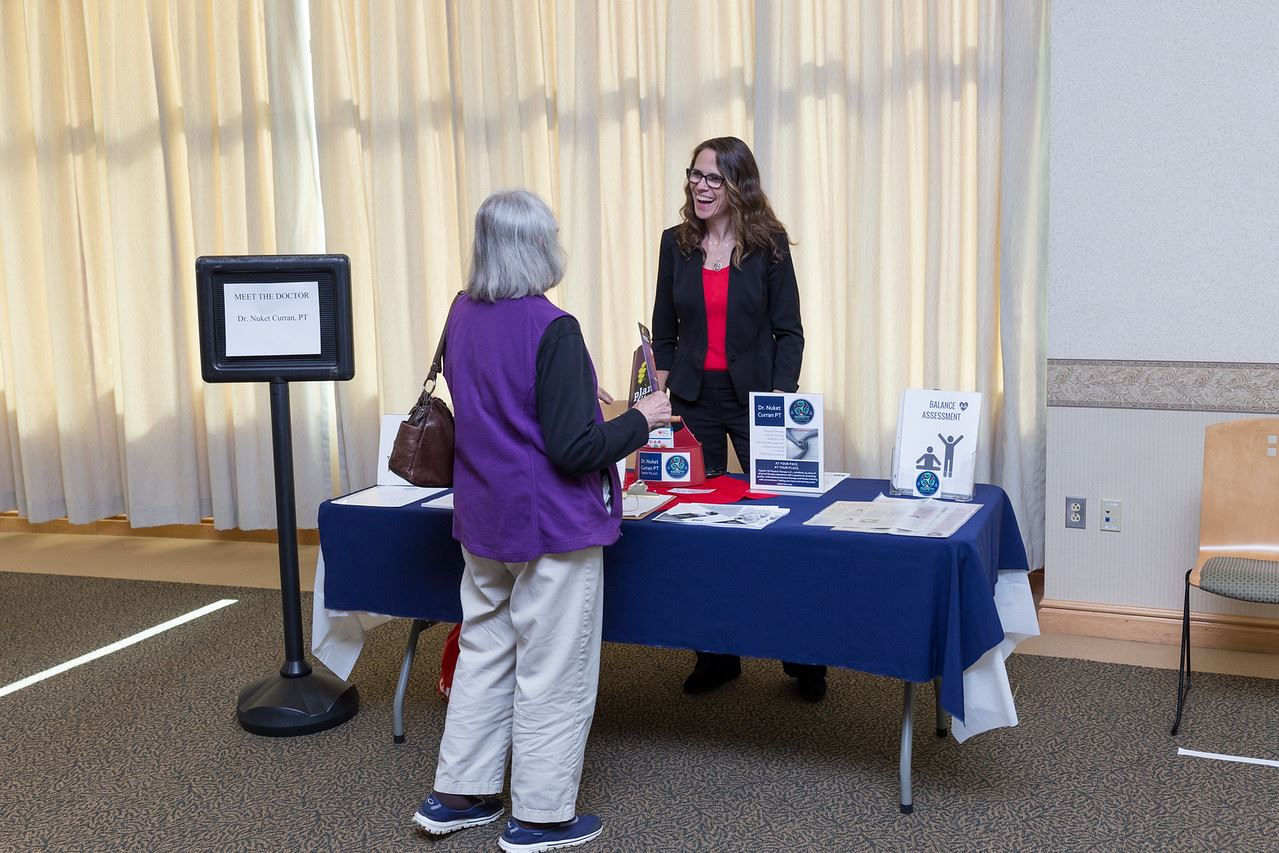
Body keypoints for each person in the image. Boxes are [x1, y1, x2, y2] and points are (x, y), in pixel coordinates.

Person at [413, 189, 672, 852]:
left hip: (482, 517)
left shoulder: (460, 312)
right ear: (537, 246)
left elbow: (502, 406)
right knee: (553, 669)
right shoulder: (552, 326)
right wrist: (642, 419)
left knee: (484, 652)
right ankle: (541, 815)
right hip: (549, 524)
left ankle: (458, 793)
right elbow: (574, 448)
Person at [650, 136, 828, 702]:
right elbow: (665, 332)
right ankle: (716, 653)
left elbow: (789, 332)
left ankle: (803, 656)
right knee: (698, 528)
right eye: (695, 176)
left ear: (738, 186)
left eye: (713, 179)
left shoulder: (769, 245)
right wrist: (665, 390)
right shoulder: (674, 245)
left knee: (779, 520)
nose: (701, 187)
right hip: (695, 399)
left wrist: (779, 401)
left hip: (759, 399)